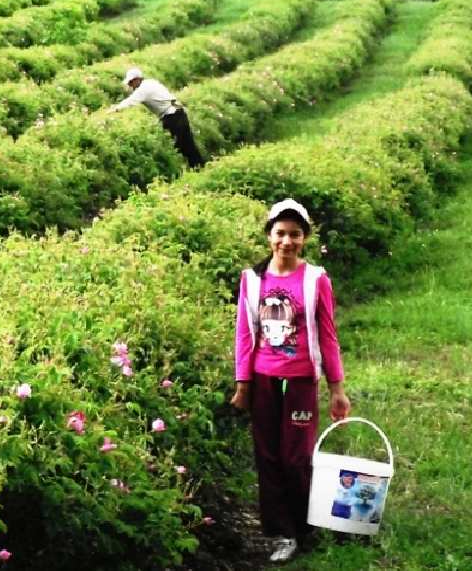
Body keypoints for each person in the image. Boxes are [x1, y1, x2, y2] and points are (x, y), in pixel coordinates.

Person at [230, 198, 351, 563]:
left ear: (305, 238)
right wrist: (242, 385)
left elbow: (327, 335)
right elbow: (244, 334)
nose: (287, 241)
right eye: (280, 233)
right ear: (269, 236)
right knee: (267, 456)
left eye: (295, 234)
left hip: (300, 381)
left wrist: (337, 389)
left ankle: (305, 527)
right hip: (264, 379)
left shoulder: (316, 279)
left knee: (296, 457)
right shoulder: (252, 279)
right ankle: (282, 533)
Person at [108, 67, 204, 168]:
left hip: (172, 117)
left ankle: (194, 168)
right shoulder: (150, 82)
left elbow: (131, 101)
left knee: (179, 146)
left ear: (137, 79)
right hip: (178, 112)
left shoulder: (143, 90)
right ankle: (198, 167)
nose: (130, 85)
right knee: (188, 144)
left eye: (131, 82)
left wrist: (115, 109)